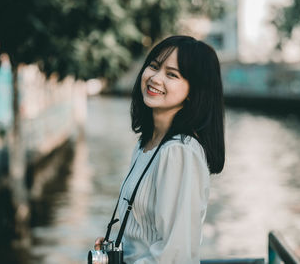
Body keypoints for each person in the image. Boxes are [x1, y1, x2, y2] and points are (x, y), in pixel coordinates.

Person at [95, 35, 225, 263]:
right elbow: (144, 234)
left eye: (172, 75)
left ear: (193, 92)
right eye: (153, 66)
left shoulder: (180, 152)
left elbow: (174, 253)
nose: (155, 78)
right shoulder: (145, 144)